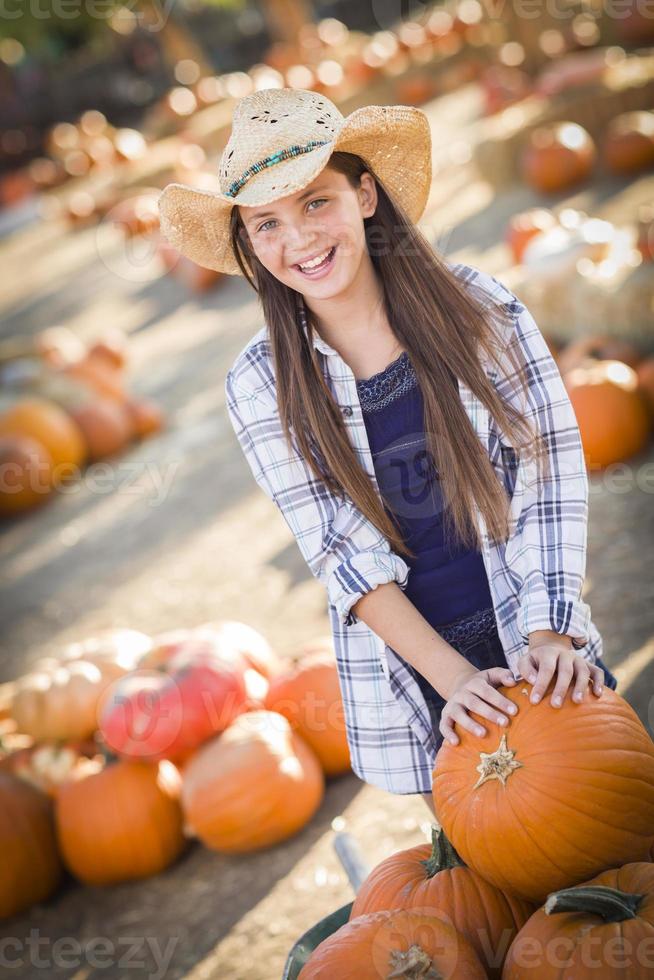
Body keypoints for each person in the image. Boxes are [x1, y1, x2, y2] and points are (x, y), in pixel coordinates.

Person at [158, 87, 618, 815]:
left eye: (316, 202)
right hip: (430, 685)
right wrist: (455, 681)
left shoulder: (479, 309)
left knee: (611, 832)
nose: (300, 240)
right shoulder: (260, 385)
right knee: (506, 878)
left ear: (365, 195)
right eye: (266, 223)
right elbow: (340, 552)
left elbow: (548, 471)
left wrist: (550, 634)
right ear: (248, 243)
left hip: (537, 631)